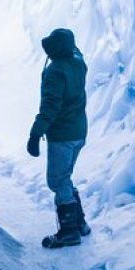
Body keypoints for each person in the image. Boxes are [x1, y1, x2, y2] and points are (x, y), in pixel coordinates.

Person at [27, 28, 92, 248]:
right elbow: (74, 49)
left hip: (63, 135)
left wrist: (35, 133)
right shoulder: (78, 62)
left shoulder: (56, 72)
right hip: (79, 132)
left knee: (57, 180)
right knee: (65, 176)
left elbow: (50, 107)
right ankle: (80, 223)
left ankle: (69, 232)